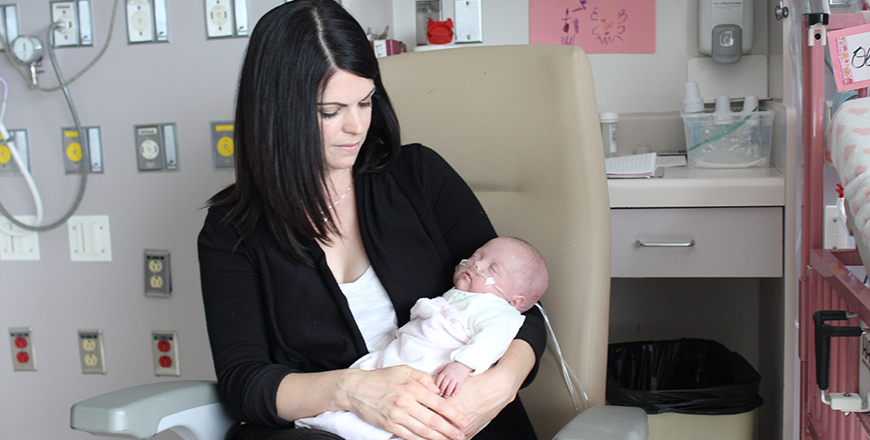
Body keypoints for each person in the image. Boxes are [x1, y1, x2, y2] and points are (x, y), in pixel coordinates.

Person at [197, 1, 546, 439]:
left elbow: (518, 305)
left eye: (365, 102)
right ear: (276, 111)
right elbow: (245, 382)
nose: (357, 127)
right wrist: (352, 389)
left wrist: (500, 384)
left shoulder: (419, 176)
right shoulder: (232, 231)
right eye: (331, 111)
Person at [294, 237, 549, 439]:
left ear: (515, 301)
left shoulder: (498, 310)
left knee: (411, 412)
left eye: (492, 268)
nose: (476, 264)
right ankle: (332, 424)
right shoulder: (459, 296)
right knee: (369, 384)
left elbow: (491, 341)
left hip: (436, 367)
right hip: (400, 357)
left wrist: (463, 364)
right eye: (475, 256)